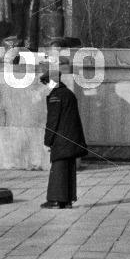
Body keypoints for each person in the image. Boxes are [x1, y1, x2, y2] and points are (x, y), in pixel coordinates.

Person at [40, 70, 87, 209]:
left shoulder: (56, 96)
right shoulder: (69, 94)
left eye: (46, 82)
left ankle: (55, 200)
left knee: (58, 169)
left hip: (61, 139)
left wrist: (47, 141)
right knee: (69, 169)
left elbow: (52, 121)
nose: (46, 85)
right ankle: (67, 201)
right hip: (72, 139)